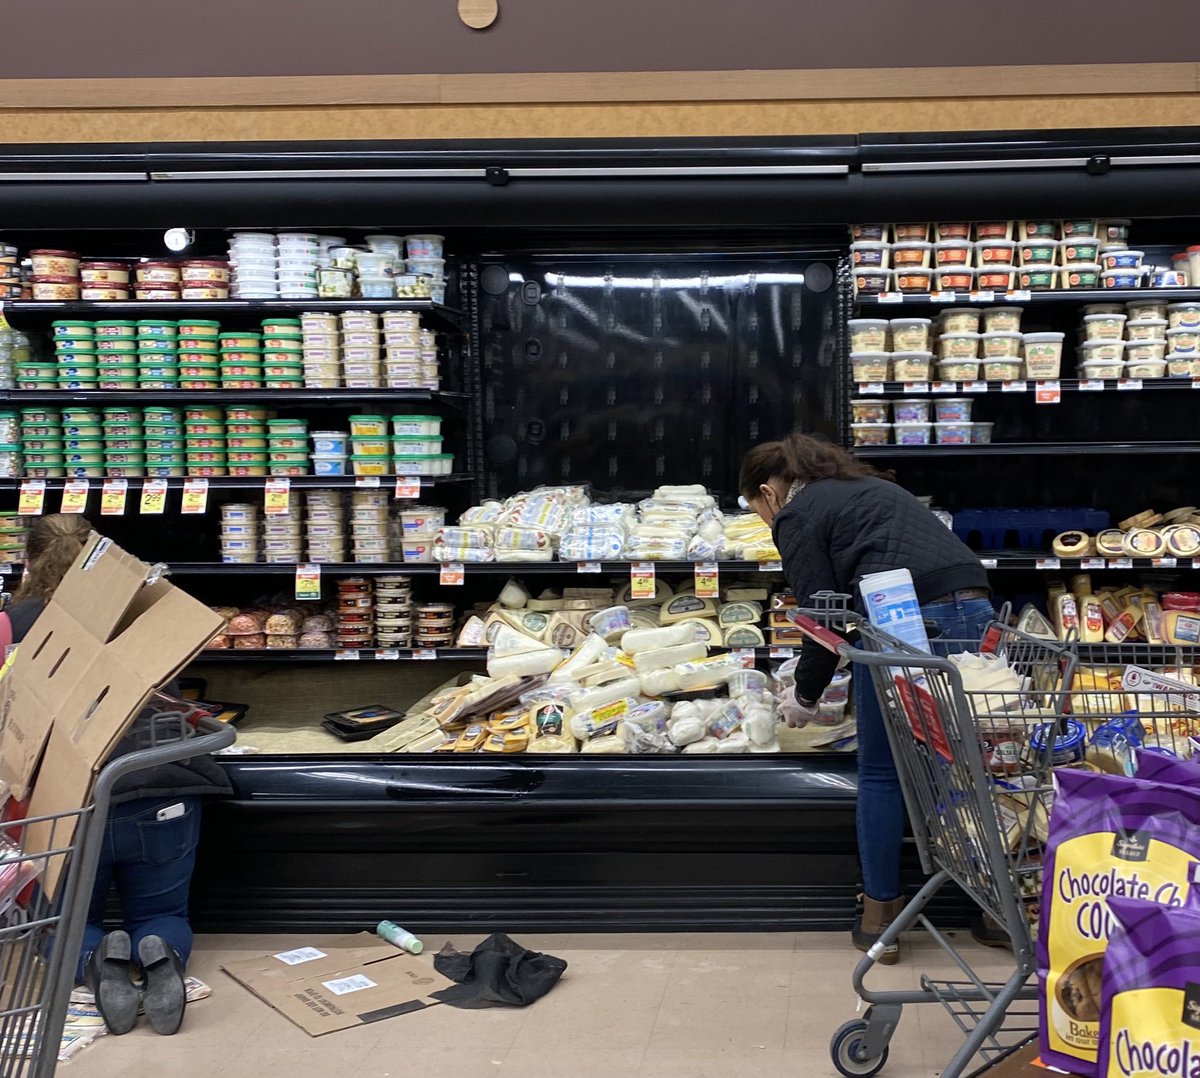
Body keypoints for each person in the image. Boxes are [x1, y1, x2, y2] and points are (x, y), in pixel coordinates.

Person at [739, 434, 992, 964]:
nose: (767, 521)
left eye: (758, 512)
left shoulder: (796, 514)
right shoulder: (866, 488)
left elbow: (822, 617)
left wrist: (805, 696)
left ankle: (881, 916)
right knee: (965, 762)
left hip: (905, 623)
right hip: (972, 608)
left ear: (768, 493)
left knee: (882, 772)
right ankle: (996, 906)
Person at [2, 514, 231, 1035]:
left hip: (65, 802)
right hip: (161, 789)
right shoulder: (143, 610)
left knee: (64, 922)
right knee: (164, 911)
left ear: (29, 563)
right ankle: (162, 953)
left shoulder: (11, 626)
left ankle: (96, 960)